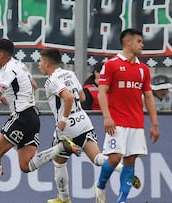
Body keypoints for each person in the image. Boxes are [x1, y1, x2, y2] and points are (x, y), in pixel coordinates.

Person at [0, 38, 81, 203]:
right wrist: (10, 98)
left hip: (21, 117)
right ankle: (61, 147)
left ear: (2, 53)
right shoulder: (19, 65)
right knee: (26, 166)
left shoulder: (8, 69)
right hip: (32, 118)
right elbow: (33, 85)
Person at [38, 48, 140, 203]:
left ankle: (64, 198)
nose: (39, 65)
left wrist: (64, 119)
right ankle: (121, 169)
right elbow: (83, 96)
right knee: (97, 157)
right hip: (84, 121)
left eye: (40, 61)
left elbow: (69, 97)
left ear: (46, 63)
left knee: (58, 162)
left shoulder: (51, 81)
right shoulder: (70, 74)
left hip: (67, 127)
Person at [95, 28, 159, 203]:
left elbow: (148, 96)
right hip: (117, 122)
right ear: (127, 42)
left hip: (136, 123)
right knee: (115, 158)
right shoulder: (111, 64)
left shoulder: (143, 69)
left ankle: (122, 200)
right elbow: (102, 92)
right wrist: (107, 117)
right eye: (139, 41)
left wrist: (154, 124)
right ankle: (100, 186)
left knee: (130, 161)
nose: (142, 45)